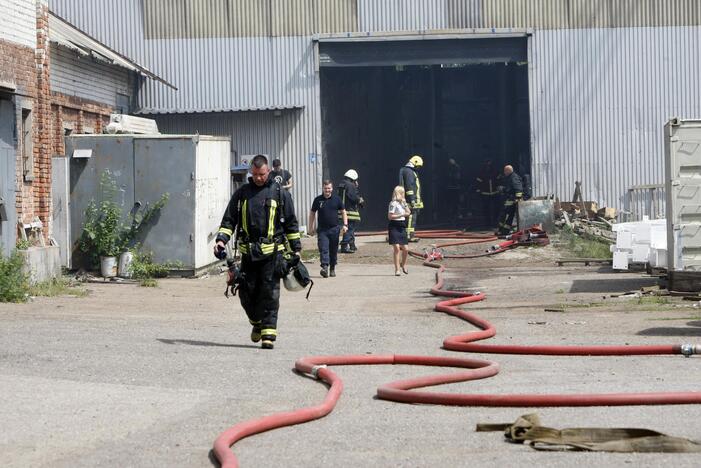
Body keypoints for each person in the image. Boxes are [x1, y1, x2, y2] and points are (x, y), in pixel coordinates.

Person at [214, 154, 302, 350]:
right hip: (248, 254)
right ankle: (256, 323)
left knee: (270, 294)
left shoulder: (280, 193)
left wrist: (296, 250)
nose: (259, 178)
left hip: (273, 254)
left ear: (268, 171)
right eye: (255, 174)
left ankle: (268, 334)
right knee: (246, 294)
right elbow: (229, 220)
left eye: (262, 174)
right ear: (250, 172)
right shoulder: (242, 194)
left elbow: (291, 223)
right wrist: (221, 240)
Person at [308, 180, 347, 278]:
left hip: (334, 229)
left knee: (333, 250)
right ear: (323, 188)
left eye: (329, 188)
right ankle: (325, 267)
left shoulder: (337, 199)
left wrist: (345, 225)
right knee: (323, 248)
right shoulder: (318, 200)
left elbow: (343, 212)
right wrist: (311, 227)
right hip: (322, 230)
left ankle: (332, 267)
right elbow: (312, 213)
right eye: (325, 188)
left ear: (332, 188)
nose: (327, 190)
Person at [337, 169, 363, 253]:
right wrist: (360, 200)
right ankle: (344, 246)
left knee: (349, 229)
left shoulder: (342, 184)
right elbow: (354, 197)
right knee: (350, 229)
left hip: (342, 211)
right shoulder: (350, 185)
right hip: (350, 212)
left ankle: (352, 245)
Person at [399, 155, 423, 242]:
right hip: (411, 201)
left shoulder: (407, 171)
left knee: (408, 218)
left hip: (410, 199)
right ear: (415, 163)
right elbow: (410, 186)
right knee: (411, 218)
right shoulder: (409, 172)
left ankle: (404, 235)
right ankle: (409, 236)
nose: (418, 168)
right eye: (418, 166)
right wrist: (412, 199)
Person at [388, 186, 410, 276]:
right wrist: (401, 214)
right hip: (394, 226)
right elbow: (390, 217)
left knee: (406, 249)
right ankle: (397, 269)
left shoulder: (403, 203)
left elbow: (408, 212)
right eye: (402, 193)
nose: (403, 194)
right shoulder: (393, 203)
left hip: (402, 226)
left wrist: (405, 209)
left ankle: (403, 265)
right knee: (397, 248)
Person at [496, 164, 524, 236]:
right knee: (505, 216)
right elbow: (509, 188)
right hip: (509, 200)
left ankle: (504, 231)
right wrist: (503, 189)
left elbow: (519, 189)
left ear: (508, 170)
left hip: (511, 201)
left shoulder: (513, 177)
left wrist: (517, 199)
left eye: (505, 170)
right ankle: (502, 230)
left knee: (506, 216)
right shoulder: (509, 177)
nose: (504, 172)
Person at [475, 159, 500, 228]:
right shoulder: (482, 172)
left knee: (496, 208)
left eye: (490, 164)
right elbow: (478, 182)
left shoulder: (495, 171)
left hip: (495, 193)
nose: (488, 165)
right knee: (486, 209)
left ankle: (495, 221)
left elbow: (499, 180)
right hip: (485, 193)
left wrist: (500, 188)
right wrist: (479, 190)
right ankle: (487, 222)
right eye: (487, 163)